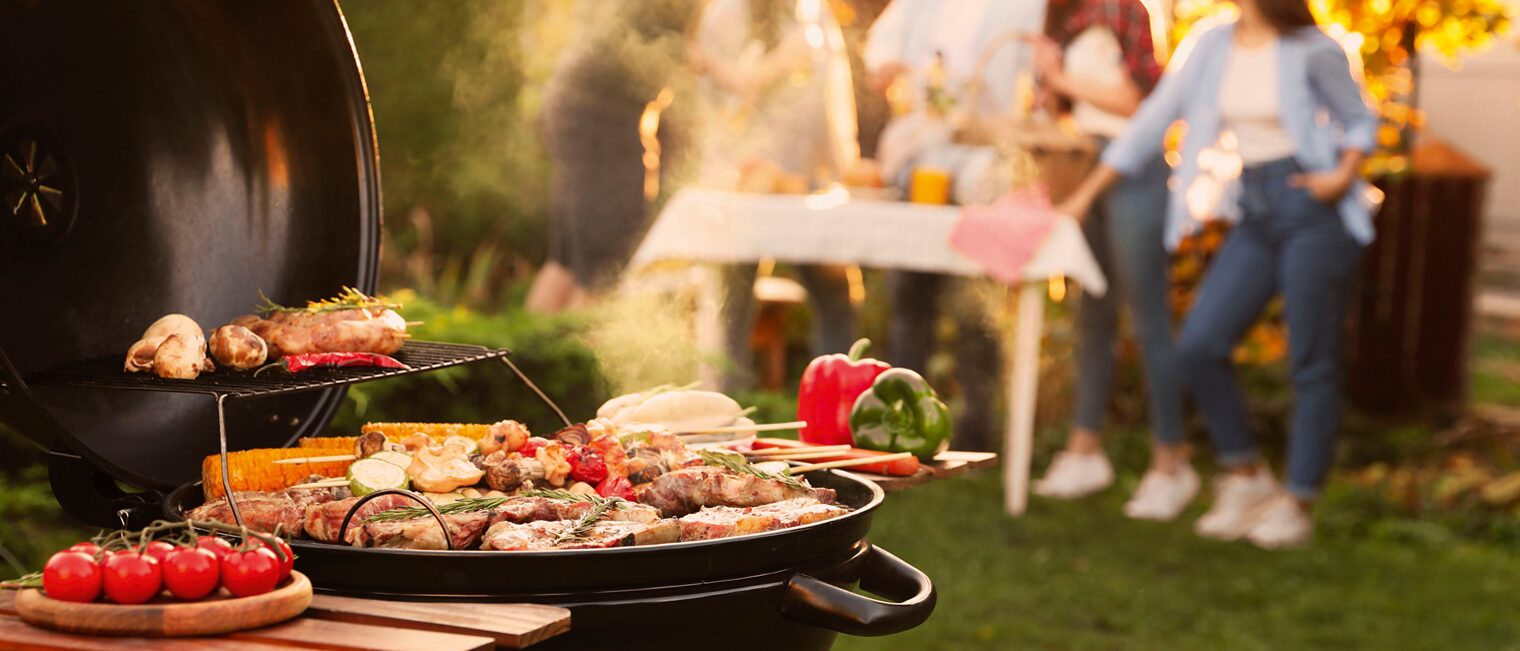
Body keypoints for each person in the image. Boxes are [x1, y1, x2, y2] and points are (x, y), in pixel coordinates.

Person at [1056, 0, 1378, 547]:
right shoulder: (1211, 43)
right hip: (1254, 208)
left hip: (1312, 211)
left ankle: (1298, 500)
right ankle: (1247, 476)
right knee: (1199, 346)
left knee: (1310, 360)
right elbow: (1152, 121)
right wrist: (1085, 195)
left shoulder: (1313, 49)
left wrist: (1340, 176)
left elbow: (1361, 119)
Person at [1023, 0, 1197, 521]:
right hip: (1080, 167)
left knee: (1148, 324)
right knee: (1091, 317)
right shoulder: (1065, 18)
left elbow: (1141, 104)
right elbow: (1067, 108)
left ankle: (1172, 463)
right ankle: (1085, 452)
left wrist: (1062, 79)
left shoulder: (1125, 9)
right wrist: (1049, 87)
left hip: (1134, 174)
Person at [862, 0, 1046, 451]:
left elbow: (1040, 78)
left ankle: (977, 429)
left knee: (976, 306)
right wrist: (886, 64)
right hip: (918, 156)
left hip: (982, 166)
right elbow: (881, 46)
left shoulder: (1027, 6)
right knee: (909, 296)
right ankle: (899, 420)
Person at [688, 0, 861, 390]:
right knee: (732, 303)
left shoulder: (814, 13)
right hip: (741, 183)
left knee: (836, 292)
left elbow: (831, 101)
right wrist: (772, 69)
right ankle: (725, 416)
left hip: (802, 187)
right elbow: (717, 105)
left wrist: (842, 170)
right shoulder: (725, 14)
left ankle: (835, 403)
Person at [527, 0, 695, 314]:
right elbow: (679, 65)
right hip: (601, 123)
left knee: (565, 260)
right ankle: (576, 361)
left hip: (572, 106)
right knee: (600, 273)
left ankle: (528, 359)